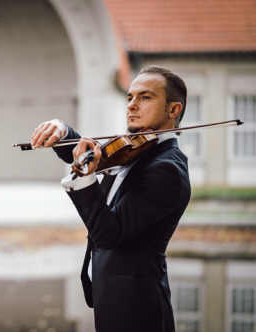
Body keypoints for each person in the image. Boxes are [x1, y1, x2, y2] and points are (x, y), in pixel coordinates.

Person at [30, 66, 191, 332]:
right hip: (113, 299)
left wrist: (83, 179)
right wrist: (61, 131)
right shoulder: (136, 150)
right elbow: (91, 153)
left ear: (173, 110)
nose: (132, 106)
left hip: (138, 310)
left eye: (145, 97)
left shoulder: (166, 169)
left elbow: (110, 234)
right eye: (129, 97)